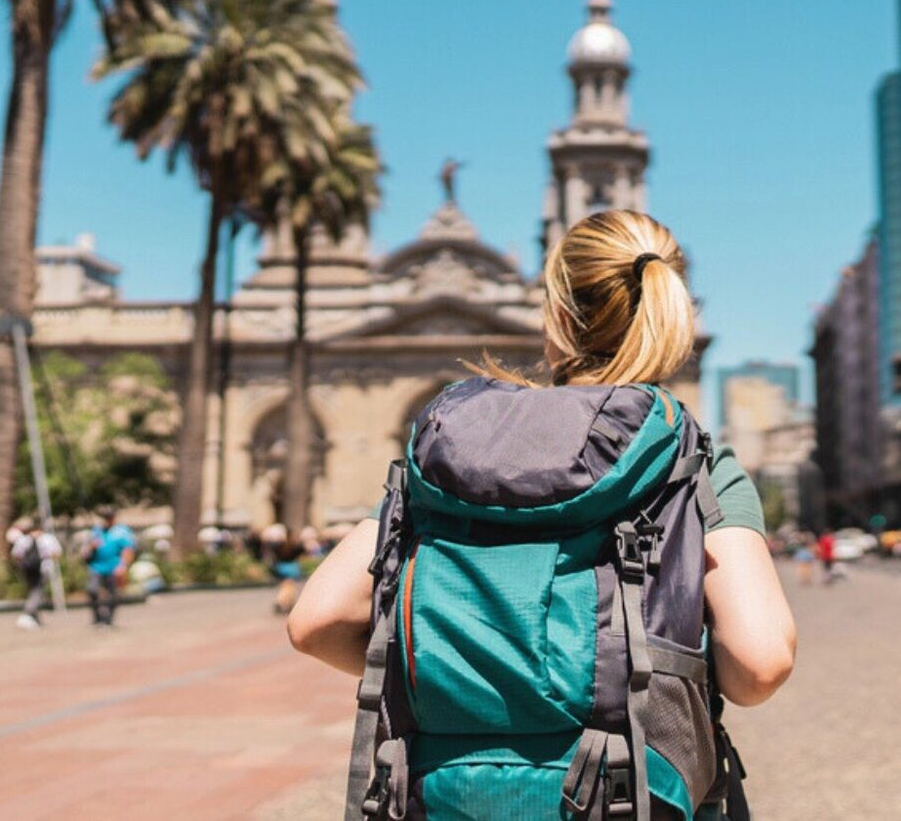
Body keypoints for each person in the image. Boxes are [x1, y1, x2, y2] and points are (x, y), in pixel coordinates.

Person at [287, 210, 795, 821]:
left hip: (444, 796)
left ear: (556, 316)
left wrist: (454, 684)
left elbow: (317, 621)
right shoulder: (690, 458)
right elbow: (759, 664)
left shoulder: (455, 448)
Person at [80, 507, 137, 628]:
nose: (105, 520)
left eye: (108, 517)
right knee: (92, 590)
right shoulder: (97, 530)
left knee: (114, 594)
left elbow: (128, 549)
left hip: (114, 567)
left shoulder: (122, 531)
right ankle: (97, 617)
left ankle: (108, 619)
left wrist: (123, 566)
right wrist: (91, 547)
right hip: (96, 566)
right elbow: (87, 548)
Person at [11, 519, 63, 630]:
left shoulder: (23, 540)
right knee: (37, 592)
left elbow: (16, 555)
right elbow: (57, 553)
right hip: (42, 568)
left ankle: (34, 618)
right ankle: (28, 614)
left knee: (33, 592)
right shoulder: (48, 539)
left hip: (30, 570)